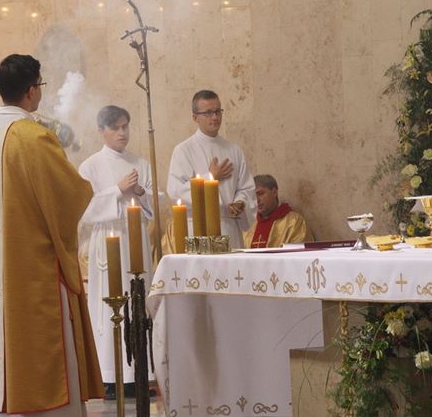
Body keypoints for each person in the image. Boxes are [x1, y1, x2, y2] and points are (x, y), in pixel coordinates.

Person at [0, 54, 103, 415]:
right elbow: (69, 196)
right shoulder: (35, 137)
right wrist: (86, 188)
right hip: (33, 270)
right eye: (40, 85)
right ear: (30, 91)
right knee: (43, 357)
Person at [78, 105, 153, 398]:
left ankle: (140, 375)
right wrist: (117, 190)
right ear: (102, 131)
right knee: (108, 304)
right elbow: (84, 209)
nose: (122, 133)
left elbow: (153, 204)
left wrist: (141, 194)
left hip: (135, 239)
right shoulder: (90, 166)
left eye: (125, 126)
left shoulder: (140, 163)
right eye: (115, 128)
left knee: (138, 300)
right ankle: (109, 376)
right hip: (108, 240)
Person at [167, 90, 255, 249]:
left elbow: (246, 188)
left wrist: (239, 203)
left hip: (229, 229)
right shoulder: (184, 150)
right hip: (199, 231)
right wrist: (210, 178)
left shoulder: (234, 150)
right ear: (195, 117)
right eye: (208, 113)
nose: (215, 117)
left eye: (217, 111)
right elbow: (175, 191)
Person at [243, 174, 315, 248]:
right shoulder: (249, 225)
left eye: (260, 194)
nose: (256, 200)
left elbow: (299, 252)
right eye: (252, 196)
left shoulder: (294, 222)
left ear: (274, 192)